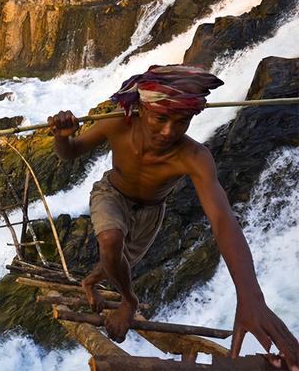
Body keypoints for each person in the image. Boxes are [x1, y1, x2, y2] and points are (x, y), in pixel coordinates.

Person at [47, 64, 298, 369]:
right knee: (111, 241)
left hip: (152, 212)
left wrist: (250, 295)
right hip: (112, 194)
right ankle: (129, 300)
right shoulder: (116, 122)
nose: (169, 131)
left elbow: (222, 219)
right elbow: (71, 151)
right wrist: (61, 137)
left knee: (117, 261)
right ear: (139, 109)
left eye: (182, 121)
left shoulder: (194, 156)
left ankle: (90, 282)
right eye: (161, 118)